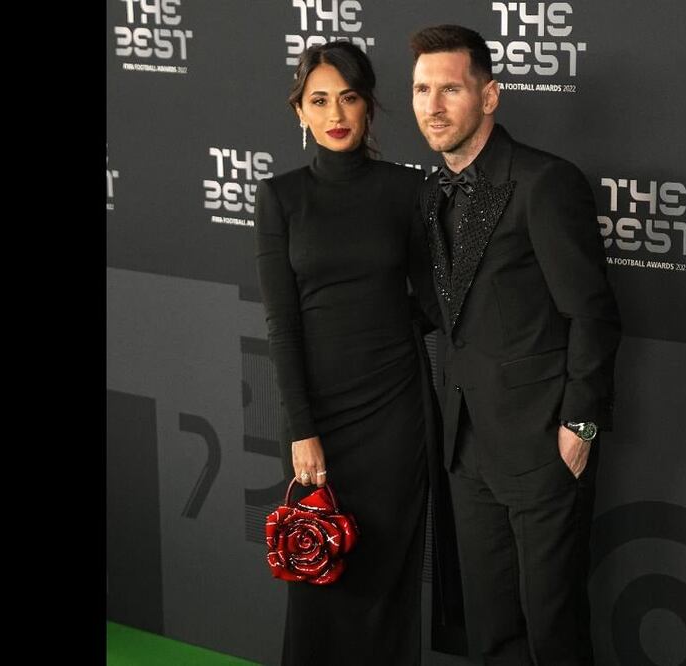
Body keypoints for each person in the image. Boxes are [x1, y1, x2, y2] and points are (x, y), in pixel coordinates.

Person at [408, 25, 622, 665]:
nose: (433, 106)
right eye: (421, 89)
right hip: (465, 446)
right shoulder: (428, 191)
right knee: (493, 630)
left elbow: (593, 314)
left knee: (553, 631)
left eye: (451, 88)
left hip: (541, 445)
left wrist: (579, 424)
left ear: (490, 95)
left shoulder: (543, 183)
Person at [255, 41, 449, 666]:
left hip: (396, 411)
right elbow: (282, 324)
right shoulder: (280, 199)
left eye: (349, 97)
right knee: (321, 575)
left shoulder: (408, 190)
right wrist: (302, 430)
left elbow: (435, 299)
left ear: (369, 108)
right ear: (300, 113)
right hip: (321, 421)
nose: (335, 112)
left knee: (387, 579)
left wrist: (385, 330)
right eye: (319, 100)